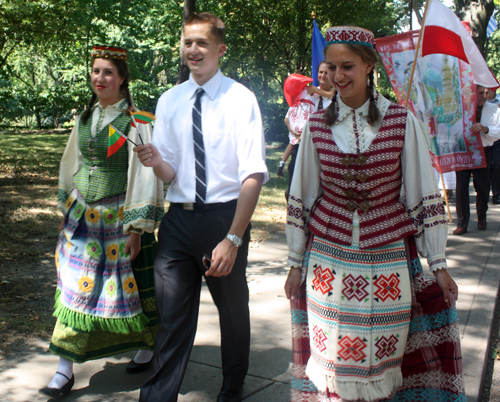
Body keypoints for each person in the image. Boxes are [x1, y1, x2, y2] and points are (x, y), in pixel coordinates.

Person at [284, 26, 465, 402]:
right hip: (327, 264)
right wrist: (294, 262)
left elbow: (422, 193)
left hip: (387, 260)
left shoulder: (401, 121)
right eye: (330, 68)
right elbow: (301, 197)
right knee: (331, 365)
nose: (337, 77)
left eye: (347, 66)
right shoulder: (317, 126)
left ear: (369, 66)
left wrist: (439, 261)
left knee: (383, 364)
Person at [133, 13, 268, 402]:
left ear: (219, 49)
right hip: (178, 221)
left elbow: (253, 175)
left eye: (202, 43)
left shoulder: (241, 99)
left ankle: (232, 386)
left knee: (232, 311)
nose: (193, 50)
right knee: (171, 317)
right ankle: (157, 395)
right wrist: (154, 159)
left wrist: (233, 238)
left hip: (223, 219)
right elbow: (170, 173)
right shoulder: (170, 100)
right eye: (187, 42)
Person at [39, 45, 164, 398]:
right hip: (82, 220)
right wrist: (68, 206)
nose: (100, 78)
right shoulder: (85, 118)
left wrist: (137, 228)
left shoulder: (138, 122)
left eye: (108, 72)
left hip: (118, 218)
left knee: (137, 288)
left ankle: (148, 345)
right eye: (95, 71)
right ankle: (64, 369)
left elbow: (145, 175)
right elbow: (71, 162)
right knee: (73, 289)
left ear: (122, 79)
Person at [279, 62, 334, 202]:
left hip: (327, 150)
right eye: (321, 72)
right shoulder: (306, 93)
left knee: (318, 193)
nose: (323, 75)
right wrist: (296, 133)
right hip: (301, 148)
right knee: (291, 192)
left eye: (327, 72)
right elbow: (289, 117)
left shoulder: (338, 98)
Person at [454, 85, 500, 235]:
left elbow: (498, 131)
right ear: (473, 93)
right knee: (461, 188)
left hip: (482, 150)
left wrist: (485, 129)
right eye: (481, 93)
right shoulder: (461, 109)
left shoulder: (493, 110)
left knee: (482, 187)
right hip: (463, 149)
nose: (484, 96)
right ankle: (462, 223)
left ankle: (482, 216)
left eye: (487, 93)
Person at [488, 88, 500, 204]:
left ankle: (496, 194)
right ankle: (483, 193)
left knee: (497, 166)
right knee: (486, 167)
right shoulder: (481, 101)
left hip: (497, 139)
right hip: (484, 138)